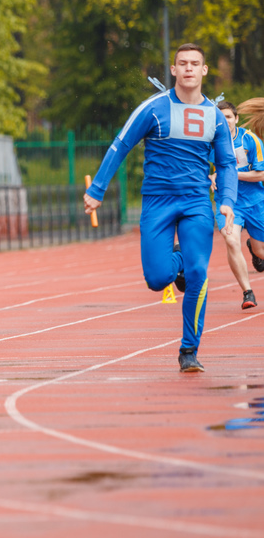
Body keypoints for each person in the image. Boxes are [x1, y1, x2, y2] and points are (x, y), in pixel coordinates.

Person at [84, 43, 238, 373]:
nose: (188, 69)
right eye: (182, 63)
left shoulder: (214, 116)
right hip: (157, 202)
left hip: (197, 202)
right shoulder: (154, 108)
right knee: (157, 279)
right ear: (173, 69)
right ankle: (179, 261)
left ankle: (189, 350)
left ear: (204, 70)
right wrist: (97, 189)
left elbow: (226, 163)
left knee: (199, 272)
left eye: (195, 64)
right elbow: (121, 145)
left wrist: (226, 202)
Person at [208, 101, 264, 309]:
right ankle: (247, 292)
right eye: (220, 118)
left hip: (256, 201)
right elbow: (198, 167)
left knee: (261, 251)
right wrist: (210, 177)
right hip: (227, 203)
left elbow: (261, 173)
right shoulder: (210, 143)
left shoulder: (250, 139)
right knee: (231, 240)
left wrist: (231, 174)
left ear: (236, 119)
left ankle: (254, 249)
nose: (225, 121)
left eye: (229, 117)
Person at [237, 98, 264, 279]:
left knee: (260, 249)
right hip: (257, 191)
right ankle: (257, 250)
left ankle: (256, 250)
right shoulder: (252, 140)